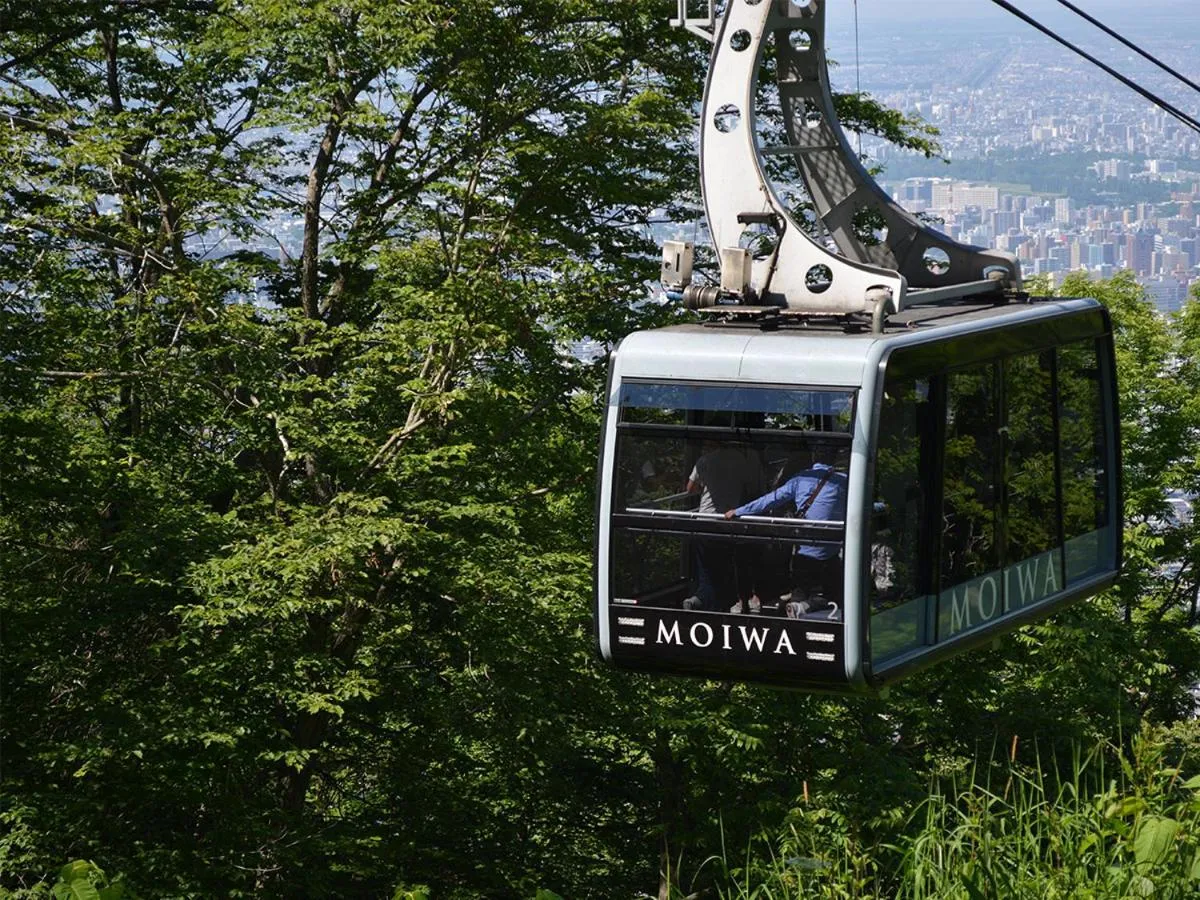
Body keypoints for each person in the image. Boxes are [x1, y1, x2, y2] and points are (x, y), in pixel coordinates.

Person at [724, 458, 848, 618]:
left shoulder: (801, 478)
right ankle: (806, 606)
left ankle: (797, 607)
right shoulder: (843, 481)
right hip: (830, 552)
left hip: (803, 553)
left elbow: (770, 500)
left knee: (801, 587)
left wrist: (740, 511)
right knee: (837, 596)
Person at [681, 442, 763, 613]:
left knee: (706, 566)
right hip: (728, 520)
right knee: (726, 562)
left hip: (704, 519)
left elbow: (690, 489)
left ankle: (703, 598)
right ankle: (723, 601)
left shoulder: (703, 461)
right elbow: (751, 487)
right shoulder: (741, 460)